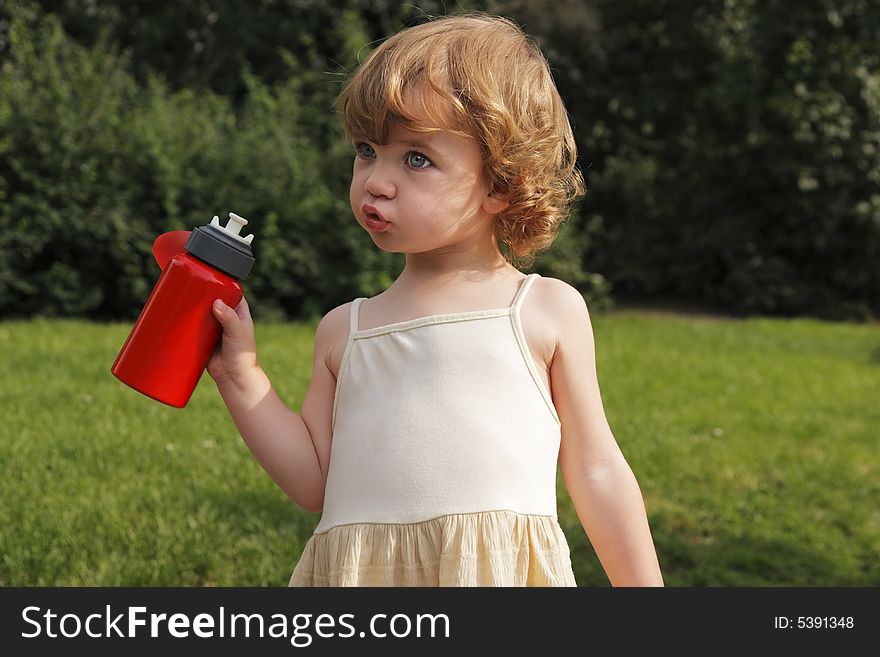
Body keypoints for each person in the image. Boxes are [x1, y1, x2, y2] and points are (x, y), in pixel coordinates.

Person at [208, 13, 664, 587]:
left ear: (501, 184)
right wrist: (241, 375)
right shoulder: (344, 330)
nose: (376, 179)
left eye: (416, 159)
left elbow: (596, 469)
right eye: (367, 149)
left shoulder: (541, 310)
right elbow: (314, 484)